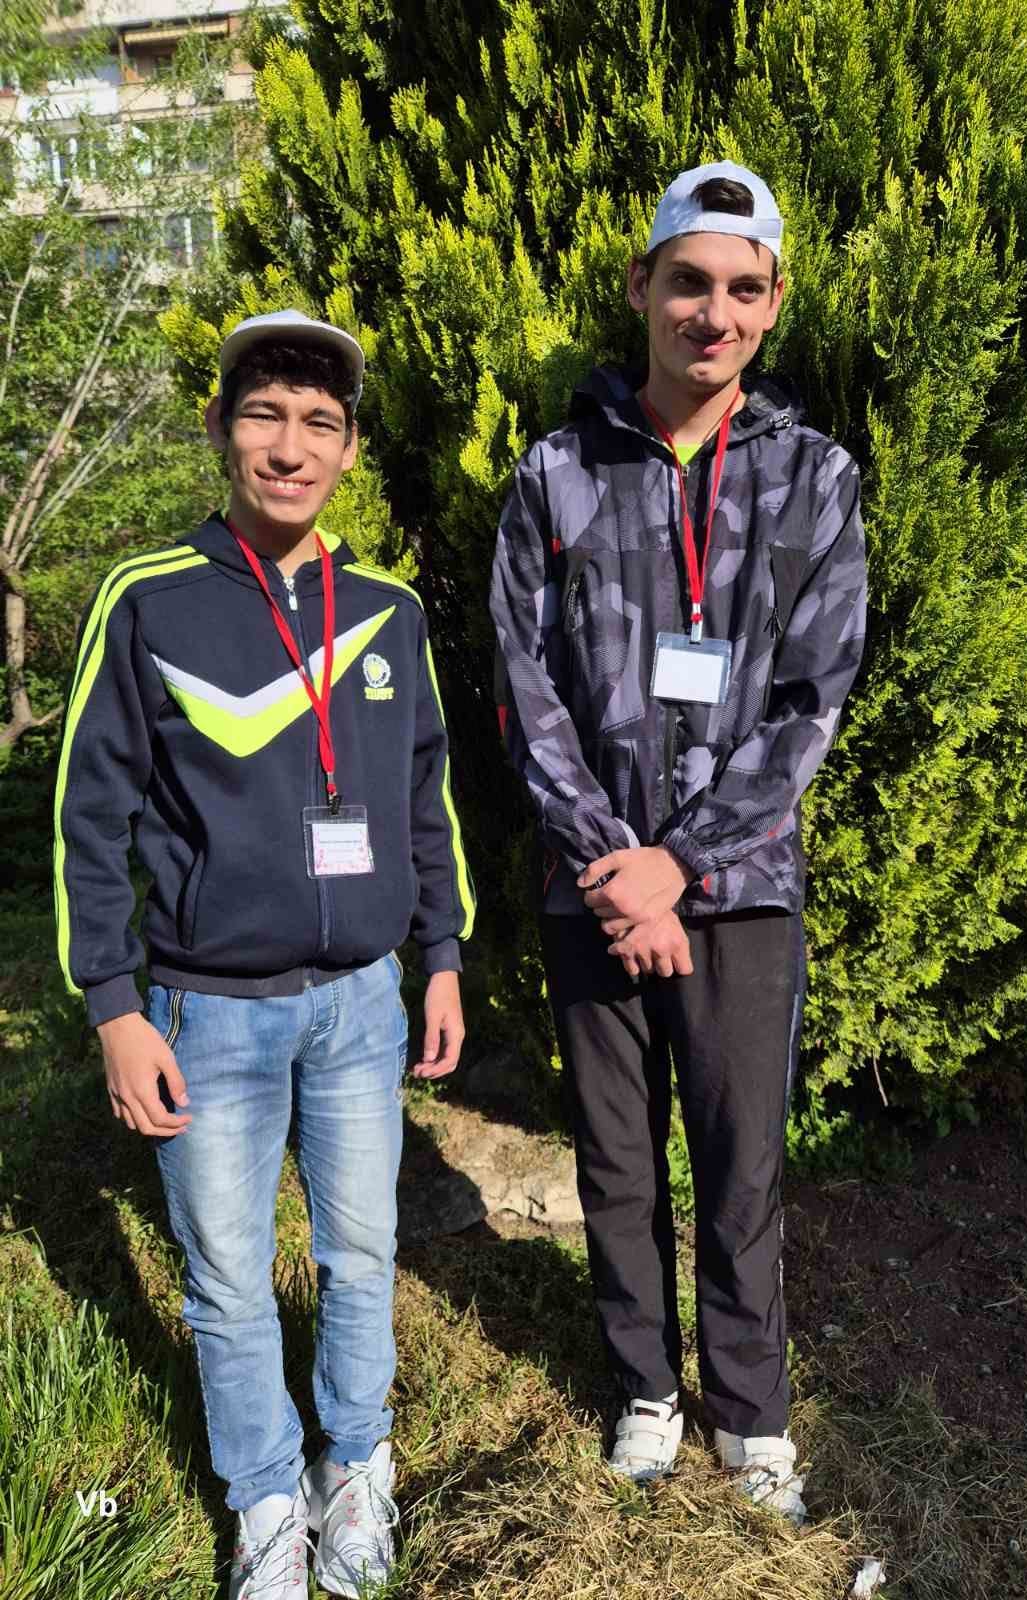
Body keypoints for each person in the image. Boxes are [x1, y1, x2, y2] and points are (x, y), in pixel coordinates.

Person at [53, 309, 474, 1598]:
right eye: (265, 417)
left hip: (362, 1002)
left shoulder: (390, 612)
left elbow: (425, 799)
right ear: (222, 430)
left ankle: (357, 1463)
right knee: (230, 1280)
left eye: (320, 425)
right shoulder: (148, 600)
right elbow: (87, 815)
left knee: (363, 1254)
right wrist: (115, 1006)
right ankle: (266, 1500)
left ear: (348, 452)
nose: (291, 448)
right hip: (206, 1012)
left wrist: (441, 955)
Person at [491, 162, 867, 1520]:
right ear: (642, 286)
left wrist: (683, 863)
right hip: (589, 886)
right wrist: (619, 867)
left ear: (773, 304)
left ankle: (752, 1415)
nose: (715, 313)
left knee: (740, 1163)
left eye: (743, 289)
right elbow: (522, 687)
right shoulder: (555, 471)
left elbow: (814, 700)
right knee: (614, 1159)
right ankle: (646, 1388)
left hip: (742, 889)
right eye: (690, 282)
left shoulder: (815, 479)